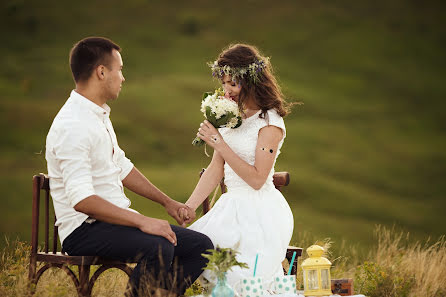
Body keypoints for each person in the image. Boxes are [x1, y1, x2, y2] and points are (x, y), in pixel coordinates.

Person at [45, 36, 213, 297]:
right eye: (120, 70)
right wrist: (143, 221)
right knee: (159, 245)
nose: (123, 78)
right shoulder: (73, 124)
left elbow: (121, 166)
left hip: (108, 223)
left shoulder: (97, 114)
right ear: (102, 72)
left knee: (201, 247)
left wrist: (166, 202)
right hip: (83, 229)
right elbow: (82, 200)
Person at [182, 44, 294, 290]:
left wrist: (219, 144)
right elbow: (215, 169)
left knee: (242, 280)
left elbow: (256, 179)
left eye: (233, 83)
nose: (227, 91)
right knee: (196, 251)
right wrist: (188, 207)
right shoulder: (232, 118)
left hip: (259, 212)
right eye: (224, 84)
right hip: (230, 207)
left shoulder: (270, 123)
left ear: (251, 81)